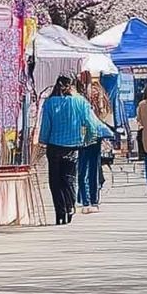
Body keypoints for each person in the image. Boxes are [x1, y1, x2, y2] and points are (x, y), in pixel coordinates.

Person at [37, 76, 116, 224]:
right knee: (69, 179)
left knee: (55, 181)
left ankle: (60, 213)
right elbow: (92, 124)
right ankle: (70, 206)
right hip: (73, 147)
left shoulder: (49, 103)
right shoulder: (81, 102)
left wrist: (43, 141)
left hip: (54, 147)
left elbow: (45, 127)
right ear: (72, 86)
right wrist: (95, 137)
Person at [75, 70, 114, 213]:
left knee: (82, 169)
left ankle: (85, 200)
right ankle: (93, 200)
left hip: (80, 136)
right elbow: (105, 114)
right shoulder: (99, 94)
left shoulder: (77, 98)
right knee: (92, 169)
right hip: (95, 135)